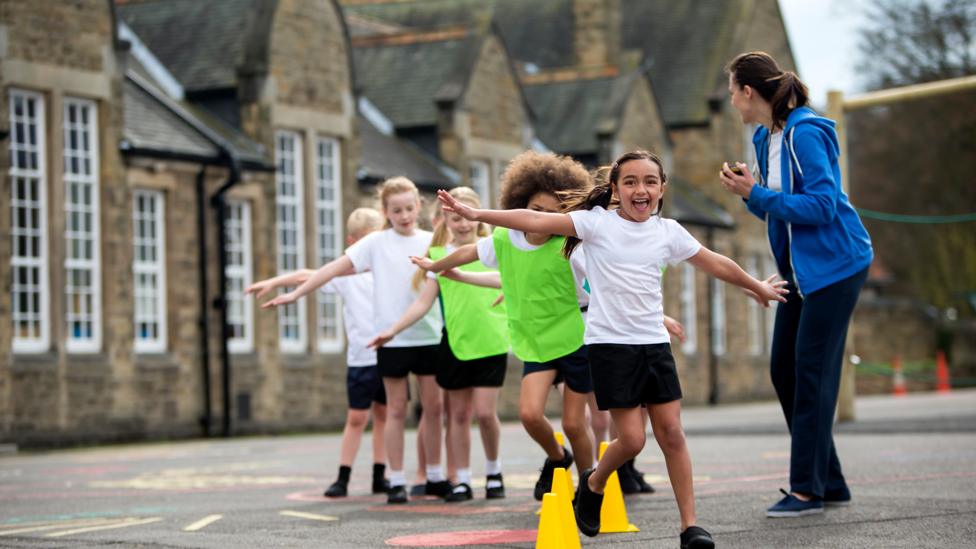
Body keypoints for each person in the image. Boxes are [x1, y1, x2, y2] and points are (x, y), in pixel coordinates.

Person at [434, 150, 788, 549]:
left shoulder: (668, 232)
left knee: (672, 432)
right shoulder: (595, 224)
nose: (641, 189)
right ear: (616, 189)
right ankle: (595, 481)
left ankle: (691, 527)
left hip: (653, 344)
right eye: (631, 182)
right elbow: (535, 219)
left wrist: (757, 285)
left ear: (661, 188)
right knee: (633, 440)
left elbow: (715, 262)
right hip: (610, 346)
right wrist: (479, 215)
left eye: (650, 182)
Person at [721, 51, 873, 518]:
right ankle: (831, 482)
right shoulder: (765, 136)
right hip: (799, 273)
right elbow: (779, 210)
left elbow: (822, 207)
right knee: (783, 371)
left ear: (750, 91)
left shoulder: (806, 133)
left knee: (811, 373)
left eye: (732, 92)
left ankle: (806, 490)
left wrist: (758, 194)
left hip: (836, 267)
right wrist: (753, 195)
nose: (732, 102)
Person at [413, 151, 596, 501]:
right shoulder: (504, 240)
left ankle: (589, 489)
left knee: (574, 424)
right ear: (518, 206)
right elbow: (469, 255)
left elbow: (602, 289)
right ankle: (558, 458)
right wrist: (436, 266)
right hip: (536, 339)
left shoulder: (573, 249)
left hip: (576, 336)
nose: (541, 220)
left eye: (552, 215)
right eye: (535, 211)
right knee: (529, 414)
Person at [262, 177, 448, 505]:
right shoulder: (375, 243)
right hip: (389, 340)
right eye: (396, 210)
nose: (404, 215)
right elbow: (332, 269)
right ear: (385, 212)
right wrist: (295, 294)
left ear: (418, 206)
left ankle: (434, 475)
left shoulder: (432, 241)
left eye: (409, 208)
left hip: (428, 337)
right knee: (395, 410)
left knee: (433, 409)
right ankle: (396, 481)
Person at [370, 187, 509, 502]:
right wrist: (392, 330)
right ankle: (460, 478)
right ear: (443, 219)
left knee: (486, 414)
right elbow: (422, 303)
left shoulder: (494, 249)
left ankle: (494, 471)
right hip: (456, 344)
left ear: (476, 216)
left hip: (492, 341)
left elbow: (514, 282)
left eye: (465, 217)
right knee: (457, 416)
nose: (461, 224)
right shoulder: (438, 257)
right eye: (453, 218)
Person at [246, 207, 389, 498]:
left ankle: (380, 474)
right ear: (353, 243)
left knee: (386, 417)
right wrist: (274, 282)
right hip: (361, 359)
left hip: (389, 355)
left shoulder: (388, 271)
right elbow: (307, 276)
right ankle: (343, 477)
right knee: (357, 418)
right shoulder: (346, 276)